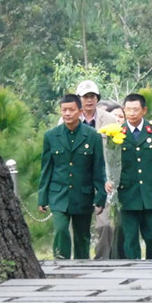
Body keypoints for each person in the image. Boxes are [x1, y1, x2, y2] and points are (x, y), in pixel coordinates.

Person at [105, 93, 152, 259]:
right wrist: (109, 181)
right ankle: (134, 270)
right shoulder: (116, 133)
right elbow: (109, 163)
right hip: (127, 193)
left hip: (151, 193)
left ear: (144, 110)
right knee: (130, 238)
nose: (132, 113)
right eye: (128, 109)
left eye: (136, 109)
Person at [38, 94, 106, 259]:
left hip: (83, 193)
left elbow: (98, 169)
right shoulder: (51, 136)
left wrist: (101, 197)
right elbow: (46, 168)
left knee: (82, 236)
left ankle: (82, 269)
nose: (67, 113)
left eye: (71, 110)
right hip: (59, 193)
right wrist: (42, 197)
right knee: (61, 230)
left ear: (80, 111)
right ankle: (61, 264)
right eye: (64, 110)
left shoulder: (92, 136)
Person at [72, 80, 120, 260]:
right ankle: (78, 259)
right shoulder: (68, 119)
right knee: (78, 226)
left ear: (97, 98)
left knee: (105, 224)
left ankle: (102, 259)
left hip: (103, 179)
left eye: (92, 96)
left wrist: (112, 178)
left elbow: (116, 153)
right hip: (78, 180)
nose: (89, 100)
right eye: (85, 97)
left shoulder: (110, 120)